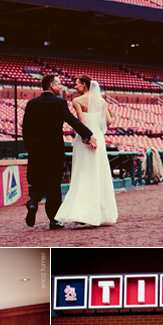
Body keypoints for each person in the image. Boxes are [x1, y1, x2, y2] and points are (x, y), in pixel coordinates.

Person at [22, 73, 97, 230]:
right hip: (54, 150)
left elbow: (26, 128)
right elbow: (72, 121)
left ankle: (33, 203)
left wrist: (29, 147)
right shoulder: (59, 103)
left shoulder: (31, 103)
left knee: (36, 181)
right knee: (53, 185)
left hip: (36, 150)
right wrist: (88, 134)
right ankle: (54, 220)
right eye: (58, 84)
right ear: (51, 86)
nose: (61, 86)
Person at [55, 77, 118, 228]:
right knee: (98, 173)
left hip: (85, 139)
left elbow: (81, 121)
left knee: (82, 173)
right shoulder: (102, 102)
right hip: (99, 139)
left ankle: (82, 212)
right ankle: (99, 212)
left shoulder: (77, 101)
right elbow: (109, 122)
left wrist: (87, 137)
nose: (74, 86)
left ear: (84, 85)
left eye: (76, 84)